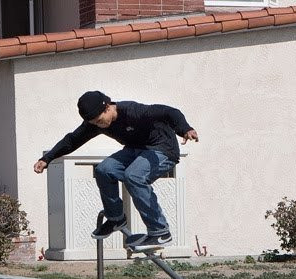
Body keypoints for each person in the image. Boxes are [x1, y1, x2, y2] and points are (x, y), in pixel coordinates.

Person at [32, 91, 198, 252]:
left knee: (133, 176)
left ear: (108, 108)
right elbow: (72, 140)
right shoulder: (94, 124)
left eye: (99, 120)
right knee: (104, 169)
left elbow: (169, 112)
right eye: (95, 123)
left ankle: (160, 231)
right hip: (135, 150)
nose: (99, 125)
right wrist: (47, 158)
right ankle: (116, 218)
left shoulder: (133, 111)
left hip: (162, 150)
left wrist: (185, 129)